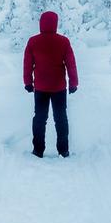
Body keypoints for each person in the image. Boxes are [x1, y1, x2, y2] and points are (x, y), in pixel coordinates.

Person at [23, 11, 79, 158]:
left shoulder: (33, 41)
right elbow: (71, 64)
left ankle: (38, 150)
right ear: (56, 23)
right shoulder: (63, 41)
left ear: (41, 23)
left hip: (40, 88)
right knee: (61, 119)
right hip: (59, 88)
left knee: (40, 119)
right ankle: (63, 151)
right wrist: (74, 83)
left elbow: (27, 64)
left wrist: (28, 82)